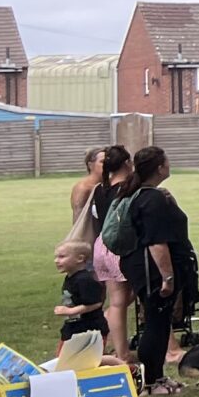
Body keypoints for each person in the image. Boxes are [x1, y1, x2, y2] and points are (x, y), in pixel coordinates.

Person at [124, 147, 199, 396]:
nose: (169, 164)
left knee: (160, 321)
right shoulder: (151, 200)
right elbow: (157, 242)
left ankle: (156, 376)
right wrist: (167, 278)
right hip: (152, 270)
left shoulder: (147, 195)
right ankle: (150, 380)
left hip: (145, 267)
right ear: (159, 167)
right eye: (167, 161)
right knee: (155, 323)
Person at [87, 144, 137, 368]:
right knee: (135, 297)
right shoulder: (128, 188)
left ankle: (121, 352)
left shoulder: (100, 189)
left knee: (116, 303)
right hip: (120, 248)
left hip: (101, 247)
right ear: (127, 163)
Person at [54, 241, 107, 348]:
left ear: (80, 259)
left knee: (90, 362)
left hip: (90, 331)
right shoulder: (70, 277)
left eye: (62, 257)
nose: (56, 261)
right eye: (56, 257)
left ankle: (122, 364)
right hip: (74, 328)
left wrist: (70, 311)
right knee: (65, 361)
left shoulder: (85, 280)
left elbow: (96, 303)